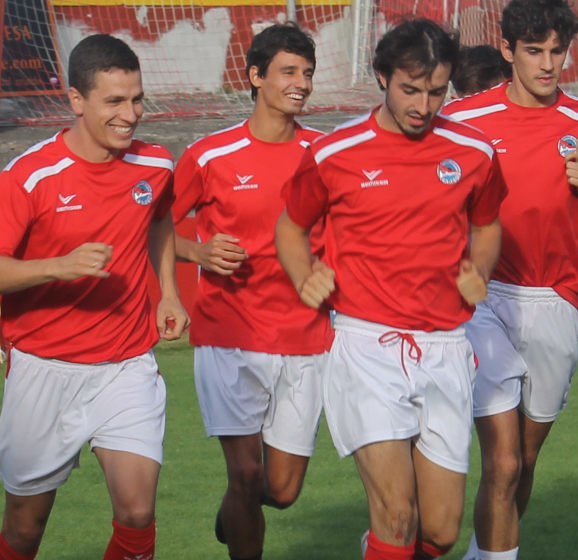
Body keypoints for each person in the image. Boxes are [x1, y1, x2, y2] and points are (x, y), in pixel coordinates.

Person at [275, 18, 505, 560]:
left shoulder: (474, 151)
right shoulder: (337, 152)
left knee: (441, 532)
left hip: (446, 348)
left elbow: (489, 223)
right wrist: (304, 274)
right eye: (410, 89)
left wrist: (482, 270)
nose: (424, 104)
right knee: (398, 515)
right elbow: (290, 226)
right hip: (366, 347)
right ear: (382, 77)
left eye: (436, 90)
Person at [443, 1, 578, 558]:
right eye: (534, 51)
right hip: (484, 299)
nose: (547, 64)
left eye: (557, 52)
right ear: (507, 50)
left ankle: (483, 551)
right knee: (503, 459)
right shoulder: (465, 123)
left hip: (557, 300)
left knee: (525, 458)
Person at [0, 34, 188, 560]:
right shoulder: (28, 176)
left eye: (137, 99)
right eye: (114, 101)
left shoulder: (155, 165)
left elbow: (160, 220)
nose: (130, 114)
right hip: (43, 369)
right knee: (23, 530)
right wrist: (57, 267)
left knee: (136, 512)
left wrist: (168, 293)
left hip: (126, 366)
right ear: (76, 101)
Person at [170, 23, 331, 560]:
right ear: (256, 76)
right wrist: (197, 252)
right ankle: (240, 503)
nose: (301, 83)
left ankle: (235, 510)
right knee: (244, 472)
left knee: (280, 490)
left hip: (306, 337)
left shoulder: (327, 154)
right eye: (289, 71)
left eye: (307, 73)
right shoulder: (209, 154)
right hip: (228, 334)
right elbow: (149, 227)